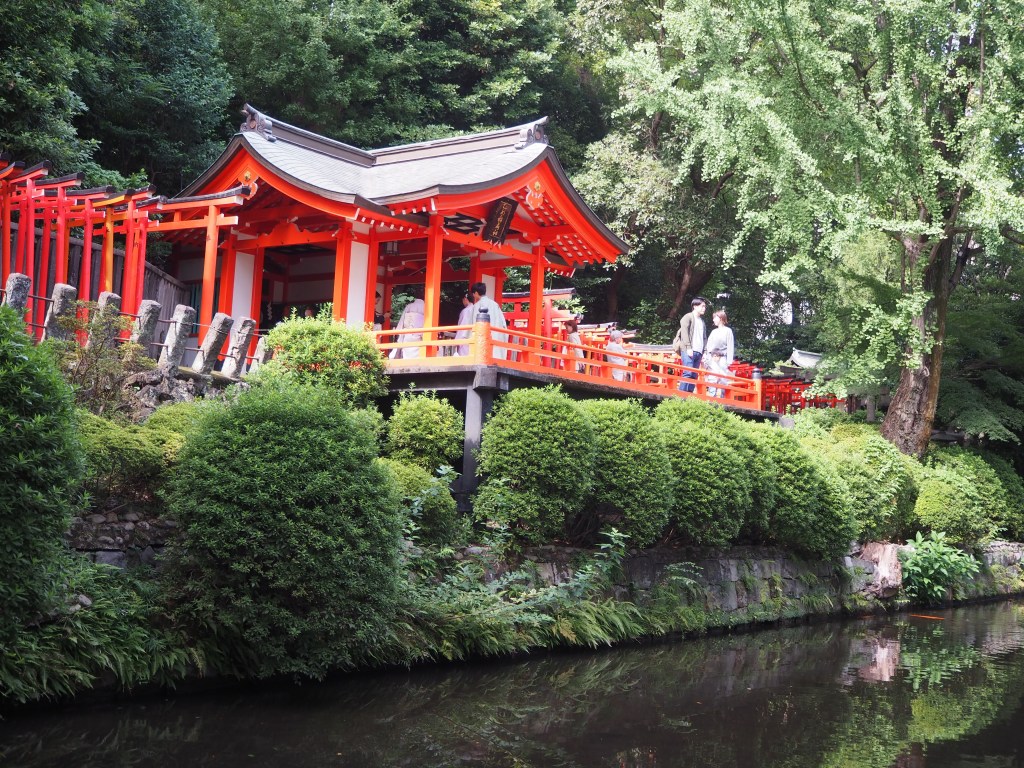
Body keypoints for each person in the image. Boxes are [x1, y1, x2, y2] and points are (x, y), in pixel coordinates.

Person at [673, 297, 707, 392]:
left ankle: (689, 396)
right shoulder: (687, 317)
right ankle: (681, 396)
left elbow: (704, 337)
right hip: (688, 349)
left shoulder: (702, 321)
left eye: (705, 306)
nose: (704, 308)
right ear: (695, 306)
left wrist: (705, 351)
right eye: (702, 306)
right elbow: (684, 333)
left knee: (694, 375)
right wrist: (688, 347)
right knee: (688, 373)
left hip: (699, 351)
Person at [470, 282, 508, 360]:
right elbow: (503, 324)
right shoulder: (495, 304)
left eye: (473, 294)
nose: (473, 296)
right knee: (496, 355)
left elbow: (474, 324)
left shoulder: (477, 306)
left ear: (476, 293)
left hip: (483, 339)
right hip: (496, 337)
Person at [704, 309, 735, 398]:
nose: (713, 320)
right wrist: (707, 358)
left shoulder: (728, 331)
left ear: (721, 318)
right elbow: (708, 346)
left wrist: (729, 361)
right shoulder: (713, 332)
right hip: (712, 357)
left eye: (715, 318)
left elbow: (730, 346)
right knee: (712, 377)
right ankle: (712, 397)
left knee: (723, 378)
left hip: (722, 357)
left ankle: (723, 398)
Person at [393, 285, 425, 358]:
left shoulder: (409, 306)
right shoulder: (427, 307)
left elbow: (402, 322)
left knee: (407, 356)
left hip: (408, 334)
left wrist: (399, 332)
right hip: (420, 335)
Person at [454, 291, 474, 356]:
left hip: (465, 338)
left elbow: (462, 326)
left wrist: (457, 341)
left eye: (463, 300)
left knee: (464, 358)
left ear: (465, 299)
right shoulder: (476, 309)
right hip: (474, 338)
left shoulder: (465, 311)